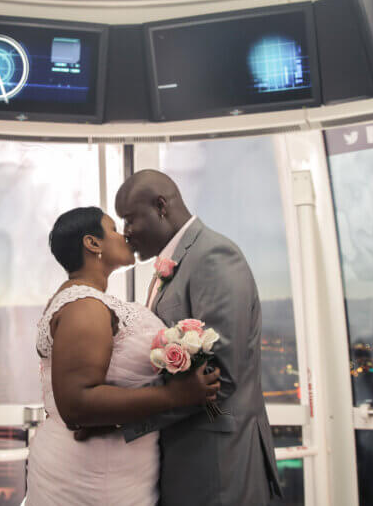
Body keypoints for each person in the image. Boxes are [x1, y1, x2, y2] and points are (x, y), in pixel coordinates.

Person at [26, 206, 220, 506]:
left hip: (110, 471)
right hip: (93, 479)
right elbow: (78, 404)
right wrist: (177, 395)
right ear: (93, 243)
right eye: (114, 229)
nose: (124, 235)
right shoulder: (85, 306)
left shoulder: (86, 300)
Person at [113, 169, 283, 505]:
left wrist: (122, 418)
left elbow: (220, 377)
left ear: (161, 206)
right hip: (187, 455)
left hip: (217, 461)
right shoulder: (178, 262)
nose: (126, 233)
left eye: (130, 220)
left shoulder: (213, 257)